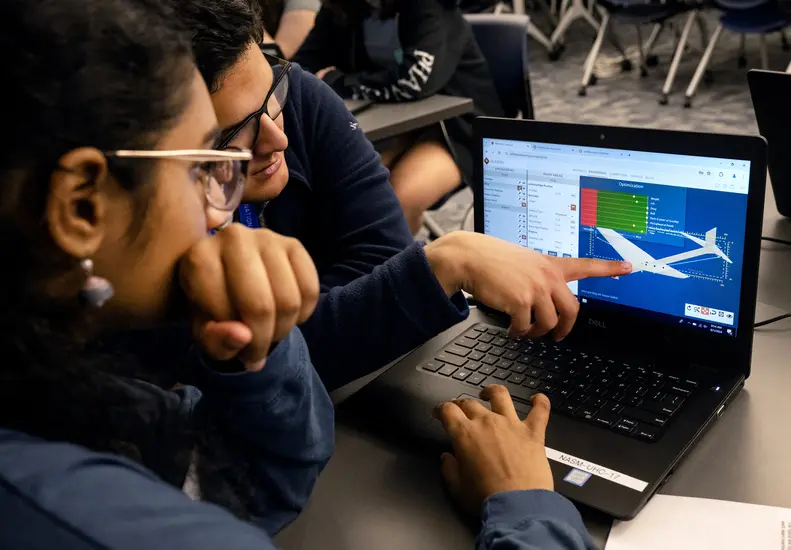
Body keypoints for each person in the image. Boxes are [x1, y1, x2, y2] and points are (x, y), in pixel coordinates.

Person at [0, 1, 593, 548]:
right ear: (81, 206)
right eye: (206, 159)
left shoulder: (78, 395)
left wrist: (265, 342)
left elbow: (249, 486)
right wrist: (527, 507)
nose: (216, 212)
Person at [171, 0, 633, 392]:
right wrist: (409, 280)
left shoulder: (301, 95)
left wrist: (325, 318)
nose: (277, 138)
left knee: (404, 191)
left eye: (274, 94)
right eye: (234, 135)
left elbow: (379, 261)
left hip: (456, 127)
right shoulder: (341, 15)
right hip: (406, 120)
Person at [292, 0, 506, 234]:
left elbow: (416, 80)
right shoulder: (344, 8)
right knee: (346, 186)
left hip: (458, 128)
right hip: (395, 125)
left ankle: (402, 268)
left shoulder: (429, 6)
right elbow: (301, 67)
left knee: (400, 197)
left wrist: (338, 81)